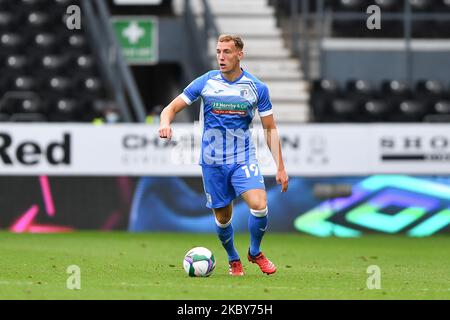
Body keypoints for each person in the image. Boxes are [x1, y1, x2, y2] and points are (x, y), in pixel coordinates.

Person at [159, 34, 289, 276]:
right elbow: (171, 107)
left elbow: (270, 128)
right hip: (212, 162)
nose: (221, 57)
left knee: (260, 205)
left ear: (240, 54)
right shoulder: (206, 82)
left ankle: (255, 252)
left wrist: (280, 167)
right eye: (219, 52)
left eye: (227, 52)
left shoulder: (257, 88)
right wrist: (165, 122)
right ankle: (233, 258)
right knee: (223, 218)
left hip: (243, 158)